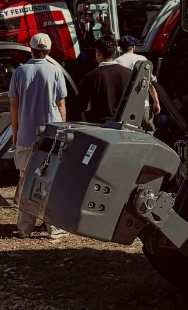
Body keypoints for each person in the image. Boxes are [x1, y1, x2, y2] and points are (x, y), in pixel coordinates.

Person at [8, 32, 68, 239]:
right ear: (49, 50)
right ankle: (53, 227)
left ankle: (24, 227)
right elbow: (61, 104)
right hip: (50, 134)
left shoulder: (19, 72)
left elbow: (14, 105)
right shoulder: (56, 71)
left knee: (25, 179)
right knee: (49, 181)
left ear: (30, 49)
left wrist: (15, 132)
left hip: (25, 133)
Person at [78, 35, 131, 123]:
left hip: (99, 126)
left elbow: (80, 106)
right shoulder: (129, 73)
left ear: (98, 52)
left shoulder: (91, 77)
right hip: (124, 124)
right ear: (114, 53)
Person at [115, 35, 161, 126]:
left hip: (124, 107)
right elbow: (150, 83)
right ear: (133, 47)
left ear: (120, 48)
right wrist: (156, 102)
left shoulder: (116, 62)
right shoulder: (142, 59)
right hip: (143, 105)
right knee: (148, 132)